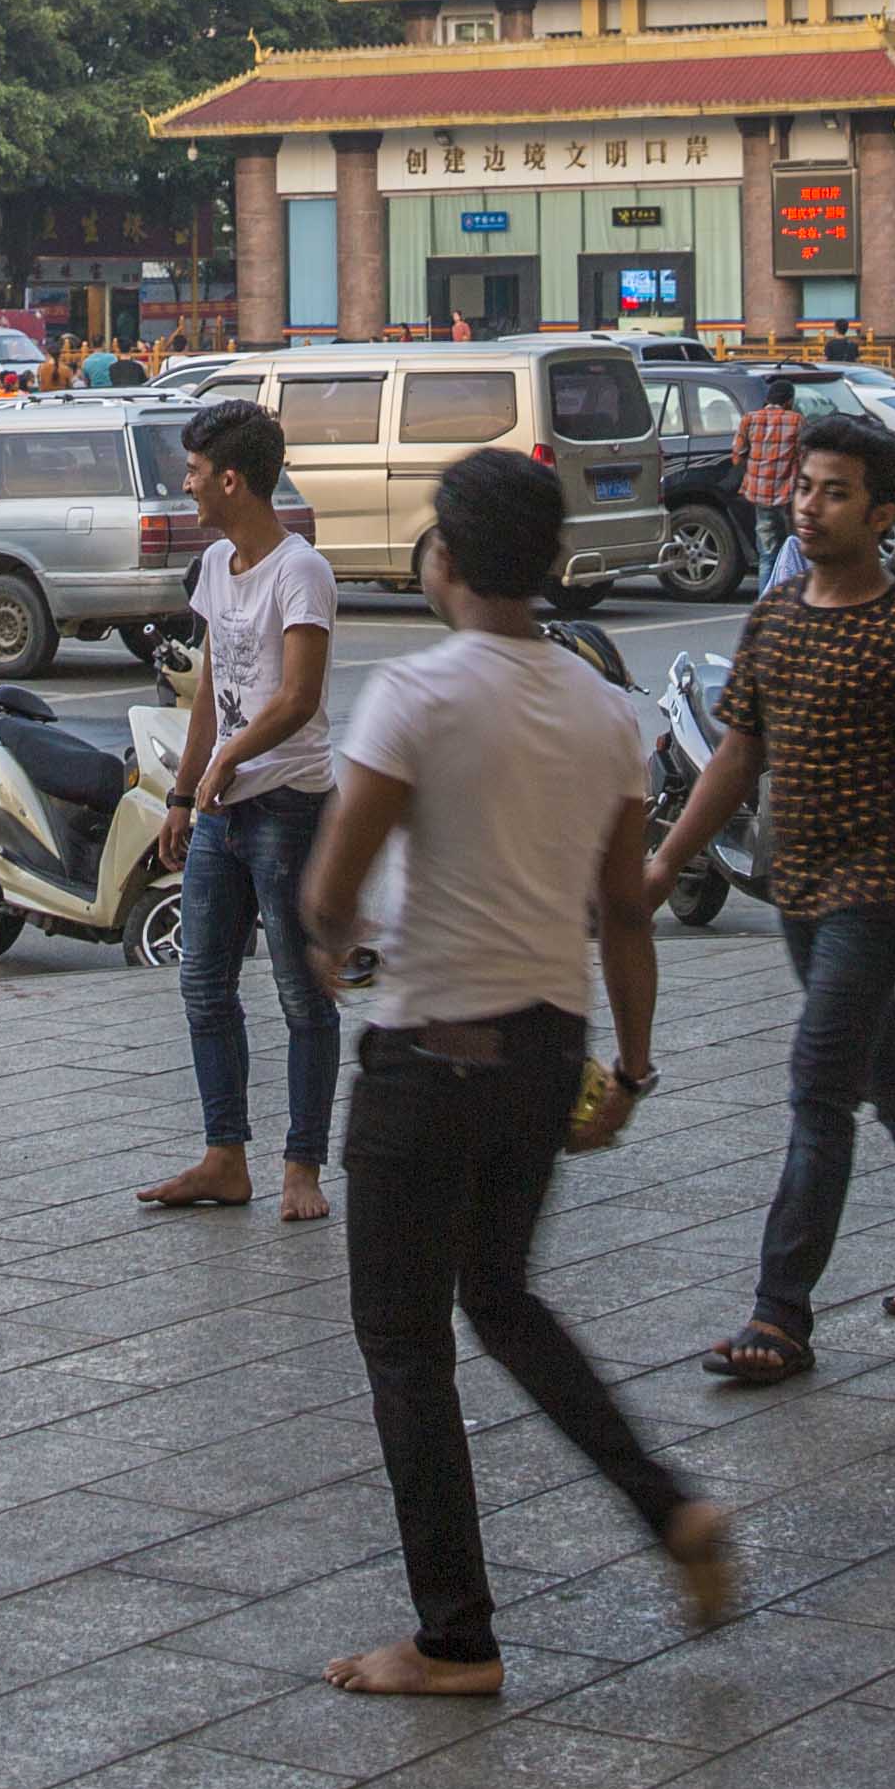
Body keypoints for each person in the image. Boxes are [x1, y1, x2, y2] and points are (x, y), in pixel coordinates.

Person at [294, 448, 735, 1694]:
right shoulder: (605, 713)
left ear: (442, 554)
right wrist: (631, 1074)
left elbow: (333, 883)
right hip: (548, 1049)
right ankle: (668, 1507)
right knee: (501, 1295)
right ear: (549, 563)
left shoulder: (416, 697)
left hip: (428, 1054)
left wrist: (331, 942)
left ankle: (456, 1637)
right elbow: (628, 911)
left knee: (402, 1339)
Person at [653, 414, 895, 1384]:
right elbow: (736, 757)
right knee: (882, 1065)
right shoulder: (775, 617)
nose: (810, 505)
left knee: (821, 1084)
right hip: (798, 886)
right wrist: (665, 861)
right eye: (806, 487)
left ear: (882, 514)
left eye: (836, 491)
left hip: (881, 893)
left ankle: (780, 1316)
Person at [142, 401, 341, 1219]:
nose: (184, 485)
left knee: (301, 993)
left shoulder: (302, 571)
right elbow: (208, 698)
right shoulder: (217, 566)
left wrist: (230, 760)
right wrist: (184, 793)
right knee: (202, 984)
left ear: (231, 479)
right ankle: (225, 1157)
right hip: (221, 810)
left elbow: (298, 699)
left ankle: (302, 1167)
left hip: (286, 803)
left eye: (193, 473)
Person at [733, 373, 803, 583]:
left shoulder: (749, 419)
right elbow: (804, 456)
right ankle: (788, 600)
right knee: (791, 553)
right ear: (789, 401)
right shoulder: (796, 420)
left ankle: (765, 604)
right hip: (787, 496)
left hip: (759, 495)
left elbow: (737, 456)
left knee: (767, 555)